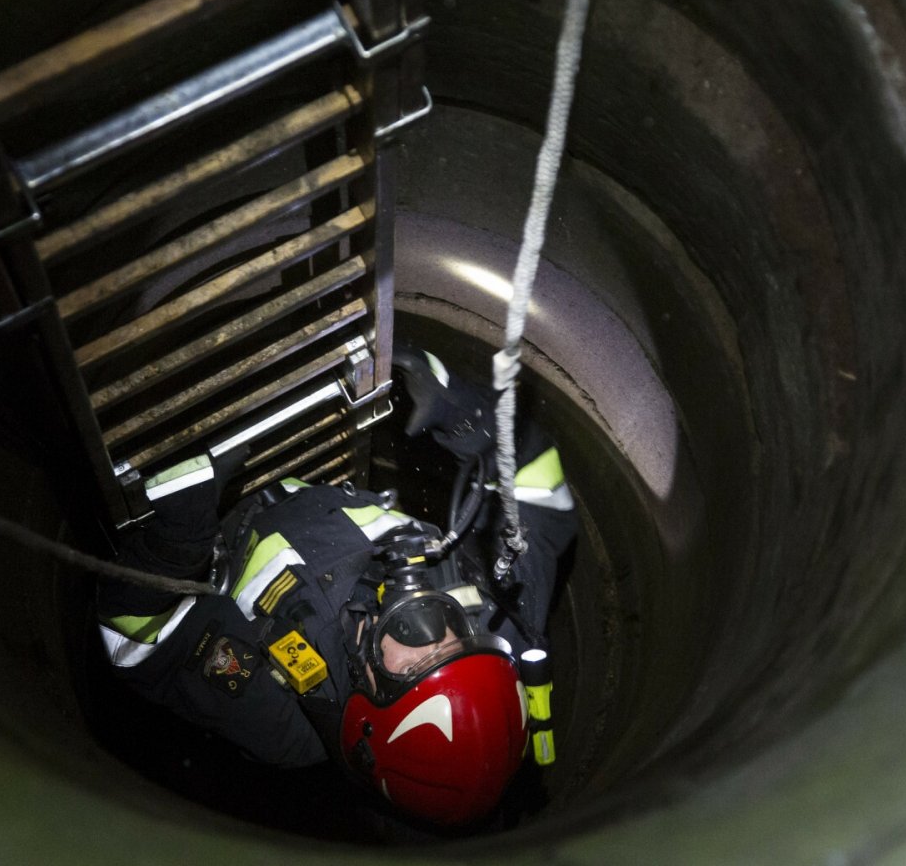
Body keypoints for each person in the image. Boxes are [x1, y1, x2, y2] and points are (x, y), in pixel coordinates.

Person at [96, 345, 578, 826]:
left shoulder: (286, 726)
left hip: (225, 509)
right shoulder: (504, 633)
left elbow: (133, 641)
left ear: (370, 703)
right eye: (456, 644)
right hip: (317, 471)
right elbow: (544, 489)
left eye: (418, 662)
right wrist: (466, 417)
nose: (434, 628)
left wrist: (180, 541)